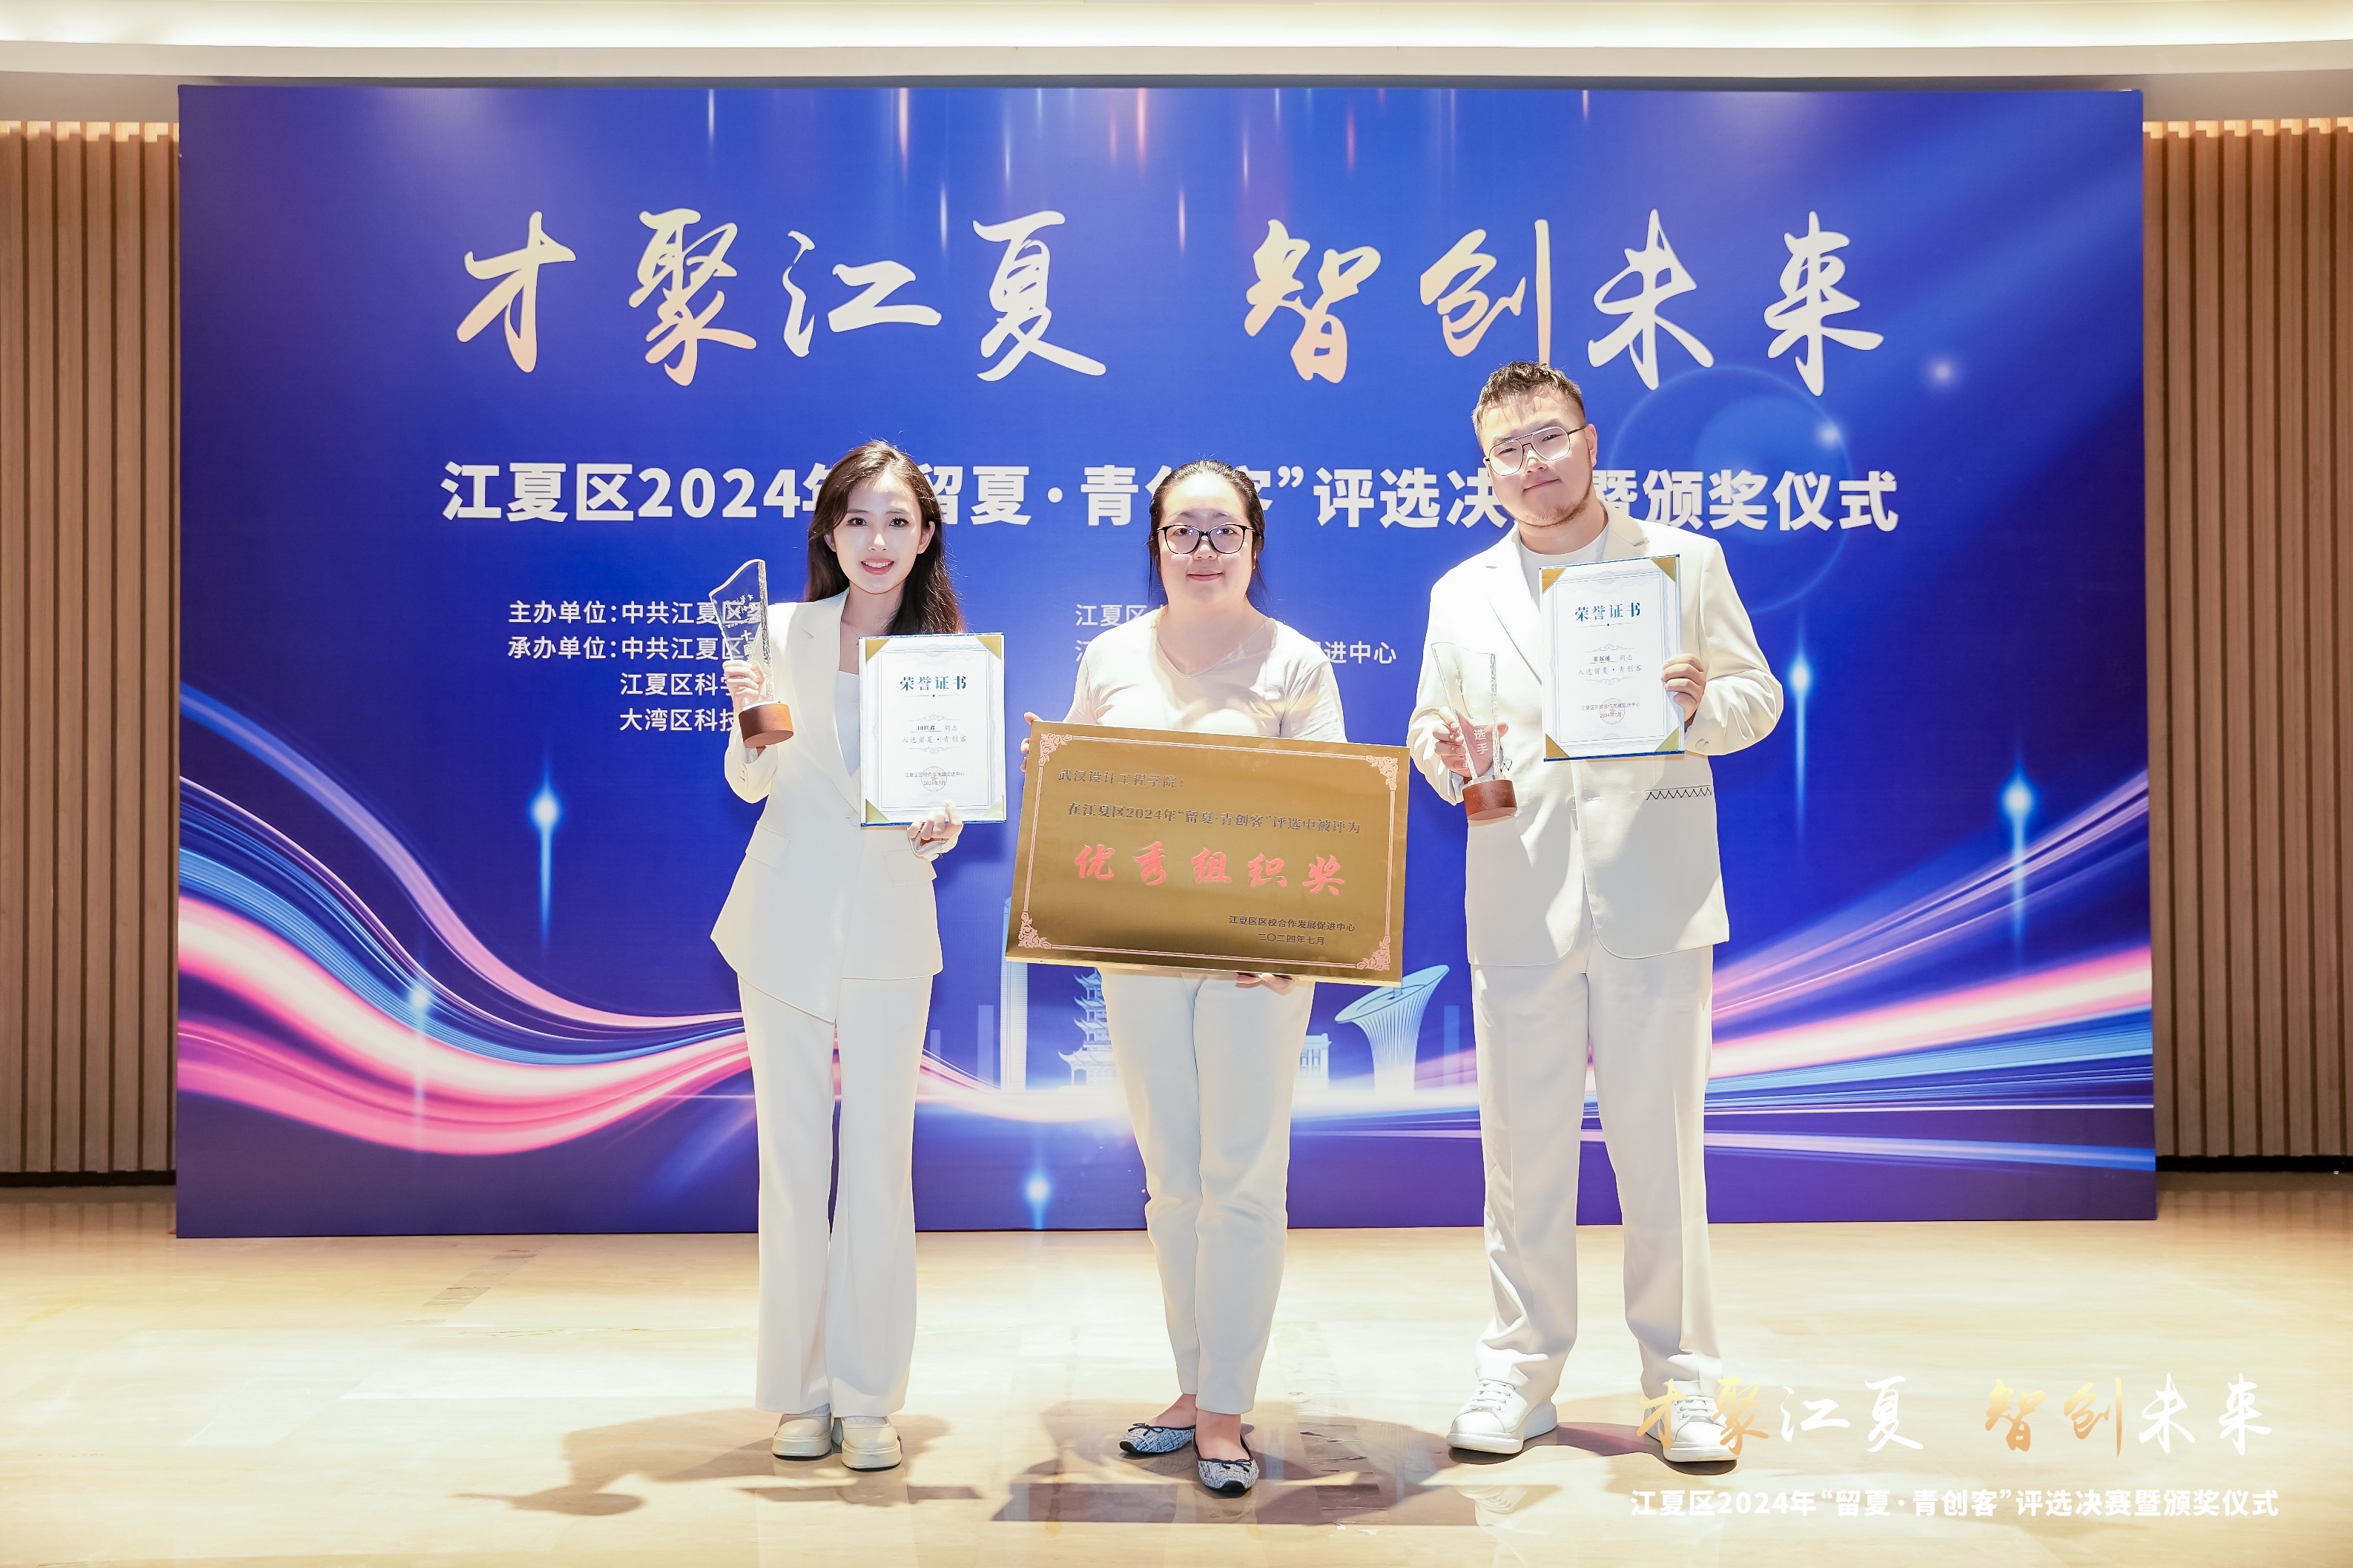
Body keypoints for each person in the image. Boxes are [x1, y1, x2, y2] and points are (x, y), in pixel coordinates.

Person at [1408, 363, 1782, 1466]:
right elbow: (1429, 725)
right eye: (1506, 450)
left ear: (1589, 441)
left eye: (1547, 437)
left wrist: (1694, 706)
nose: (1531, 463)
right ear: (1485, 472)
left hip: (1653, 896)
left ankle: (1683, 1386)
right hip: (1519, 895)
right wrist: (1448, 755)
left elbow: (1756, 698)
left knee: (1661, 1155)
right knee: (1520, 1157)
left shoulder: (1681, 563)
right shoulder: (1462, 590)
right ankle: (1518, 1374)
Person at [1032, 459, 1344, 1497]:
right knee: (1172, 1179)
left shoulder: (1295, 663)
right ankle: (1194, 1380)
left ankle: (1226, 1408)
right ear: (1155, 545)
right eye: (1182, 531)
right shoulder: (1111, 656)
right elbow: (1075, 788)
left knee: (1242, 1177)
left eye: (1223, 530)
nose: (1203, 550)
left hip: (1258, 960)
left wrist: (1296, 937)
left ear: (1254, 544)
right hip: (1140, 949)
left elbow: (1333, 810)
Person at [713, 440, 963, 1472]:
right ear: (829, 531)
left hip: (891, 922)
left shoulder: (947, 655)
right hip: (782, 921)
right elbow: (749, 782)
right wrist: (749, 728)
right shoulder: (779, 632)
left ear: (926, 535)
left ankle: (867, 1396)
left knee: (877, 1165)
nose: (876, 539)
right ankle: (800, 1392)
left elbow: (949, 799)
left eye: (897, 520)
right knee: (792, 1161)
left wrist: (943, 823)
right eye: (857, 518)